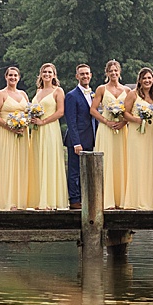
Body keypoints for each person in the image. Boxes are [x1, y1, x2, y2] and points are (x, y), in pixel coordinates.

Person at [92, 59, 134, 208]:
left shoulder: (127, 91)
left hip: (122, 130)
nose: (114, 73)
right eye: (111, 71)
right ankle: (106, 199)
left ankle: (121, 200)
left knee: (121, 160)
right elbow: (93, 110)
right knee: (107, 160)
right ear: (107, 73)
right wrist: (106, 121)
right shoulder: (101, 89)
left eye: (116, 70)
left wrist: (123, 123)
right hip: (106, 129)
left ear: (119, 72)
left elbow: (129, 112)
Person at [0, 66, 32, 209]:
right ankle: (8, 201)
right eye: (10, 75)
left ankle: (21, 201)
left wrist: (24, 123)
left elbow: (28, 112)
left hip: (22, 133)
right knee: (8, 164)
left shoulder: (24, 94)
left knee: (21, 164)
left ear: (19, 78)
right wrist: (8, 127)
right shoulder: (1, 94)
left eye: (15, 75)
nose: (13, 78)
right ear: (6, 77)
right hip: (6, 133)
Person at [123, 67, 153, 209]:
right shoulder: (133, 94)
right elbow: (125, 114)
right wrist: (137, 120)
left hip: (152, 133)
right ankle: (135, 200)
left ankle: (151, 200)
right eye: (144, 78)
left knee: (150, 164)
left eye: (149, 78)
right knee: (137, 163)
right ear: (140, 80)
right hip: (137, 133)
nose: (147, 81)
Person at [29, 63, 68, 209]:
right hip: (37, 131)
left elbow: (60, 112)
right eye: (44, 72)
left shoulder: (58, 91)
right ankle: (39, 199)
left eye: (50, 72)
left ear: (54, 75)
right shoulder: (38, 91)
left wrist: (43, 121)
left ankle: (50, 200)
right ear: (41, 74)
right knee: (38, 160)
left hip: (50, 128)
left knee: (49, 161)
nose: (47, 74)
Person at [63, 64, 97, 209]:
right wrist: (76, 142)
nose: (85, 76)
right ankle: (74, 200)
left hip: (90, 138)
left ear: (91, 75)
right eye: (82, 74)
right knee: (74, 171)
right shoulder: (71, 95)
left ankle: (86, 198)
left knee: (88, 171)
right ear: (77, 76)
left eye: (87, 74)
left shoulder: (93, 94)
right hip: (76, 140)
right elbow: (70, 121)